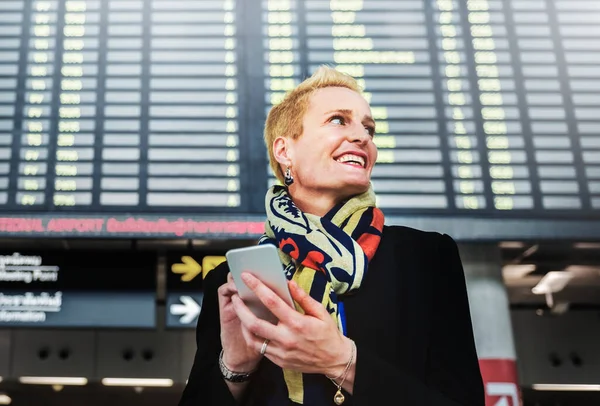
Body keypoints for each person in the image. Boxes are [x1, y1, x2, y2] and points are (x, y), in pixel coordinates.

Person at [178, 66, 484, 405]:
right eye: (338, 120)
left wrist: (342, 362)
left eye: (369, 128)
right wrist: (236, 365)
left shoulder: (426, 258)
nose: (363, 137)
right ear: (284, 152)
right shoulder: (232, 279)